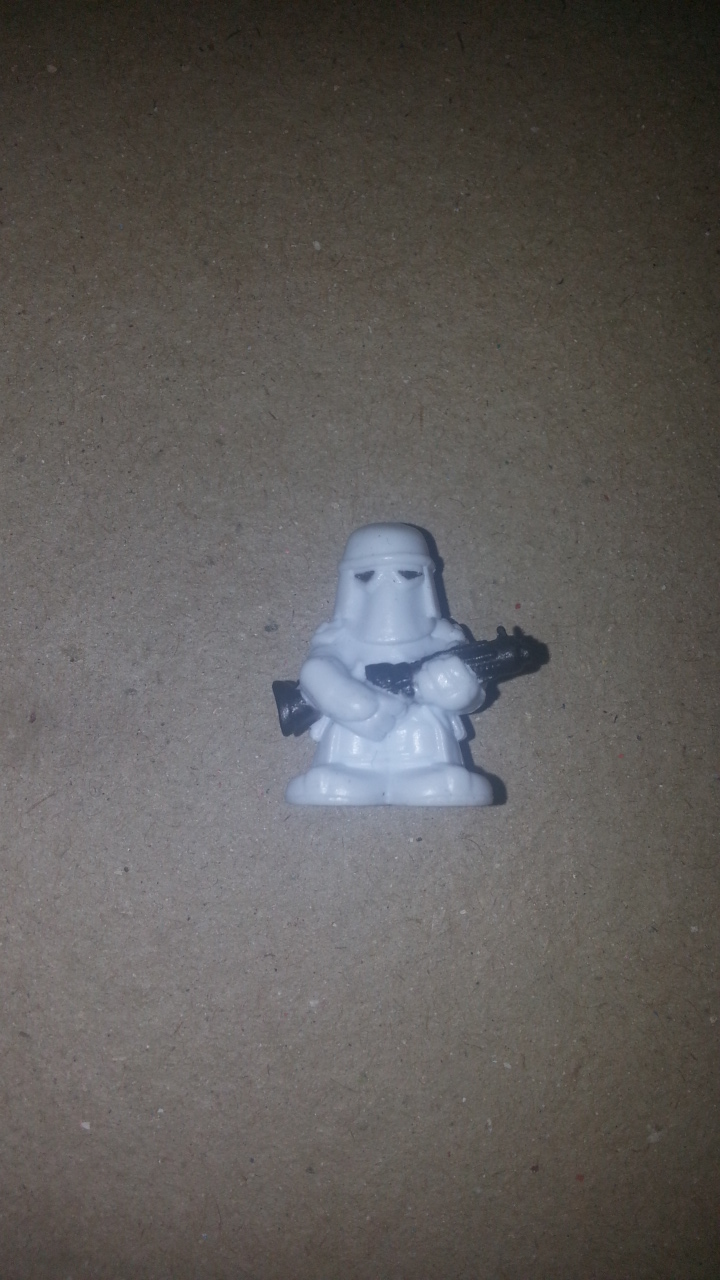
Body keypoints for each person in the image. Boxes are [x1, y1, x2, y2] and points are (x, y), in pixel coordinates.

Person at [285, 523, 493, 806]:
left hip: (425, 746)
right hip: (351, 744)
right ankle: (341, 772)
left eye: (406, 573)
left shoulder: (443, 638)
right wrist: (340, 695)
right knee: (340, 758)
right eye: (367, 575)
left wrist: (459, 690)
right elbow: (317, 670)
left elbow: (472, 696)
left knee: (442, 773)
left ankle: (429, 774)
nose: (387, 585)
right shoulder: (338, 637)